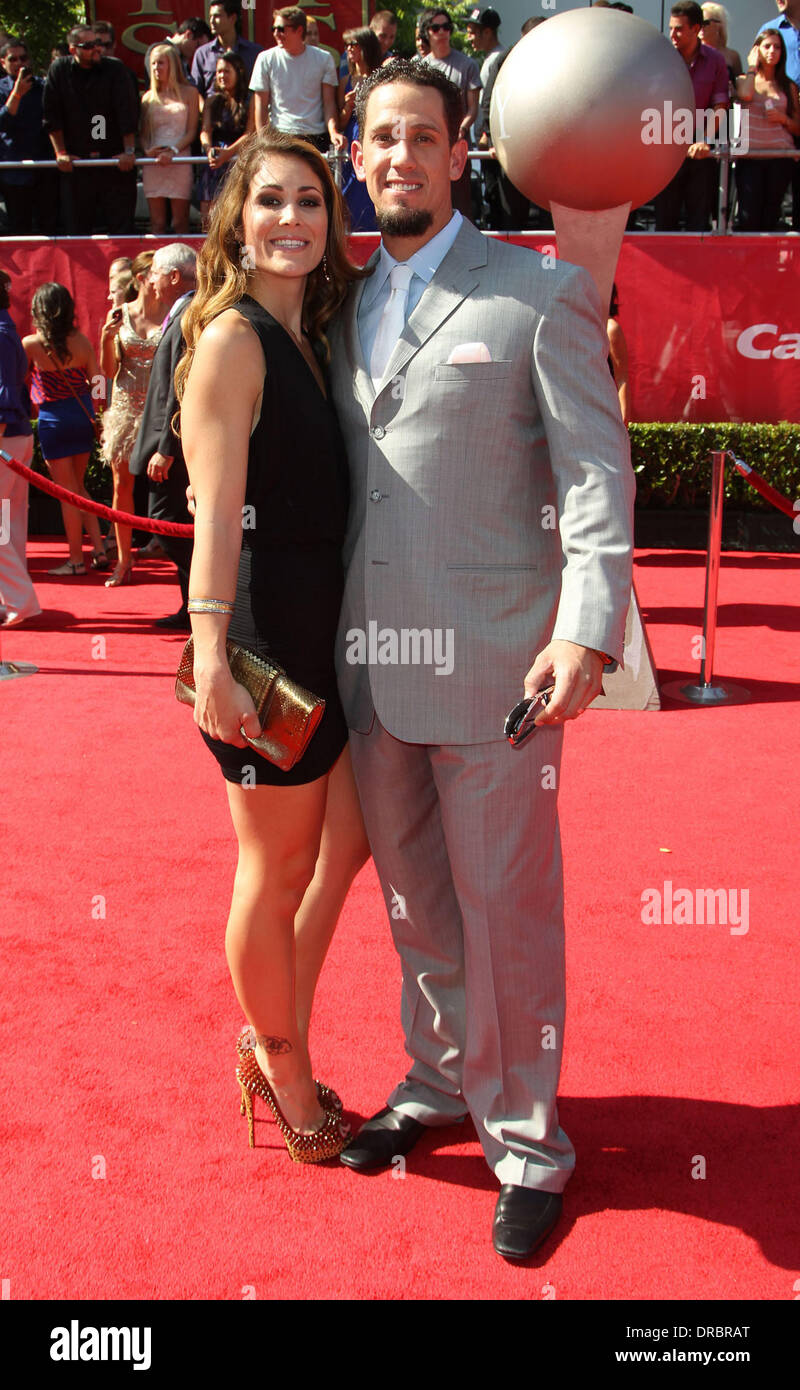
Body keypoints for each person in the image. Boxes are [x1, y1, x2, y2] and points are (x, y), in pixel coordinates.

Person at [330, 59, 634, 1258]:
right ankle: (438, 1081)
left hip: (499, 668)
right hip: (369, 670)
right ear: (356, 156)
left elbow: (594, 475)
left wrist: (584, 625)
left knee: (507, 914)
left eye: (421, 137)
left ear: (462, 153)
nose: (397, 155)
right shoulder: (335, 301)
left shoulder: (536, 293)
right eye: (378, 138)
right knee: (415, 905)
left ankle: (528, 1143)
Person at [175, 130, 369, 1158]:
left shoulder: (309, 334)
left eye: (309, 201)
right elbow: (214, 516)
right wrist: (210, 661)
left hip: (321, 633)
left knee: (345, 843)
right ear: (237, 225)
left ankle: (268, 1033)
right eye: (269, 203)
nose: (291, 219)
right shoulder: (232, 341)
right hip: (260, 647)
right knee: (274, 866)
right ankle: (285, 1071)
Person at [129, 242, 198, 628]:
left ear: (173, 276)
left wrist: (166, 448)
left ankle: (200, 603)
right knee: (168, 523)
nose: (148, 279)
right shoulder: (181, 311)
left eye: (153, 271)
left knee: (166, 521)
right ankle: (191, 604)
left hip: (172, 447)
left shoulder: (190, 313)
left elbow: (182, 386)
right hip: (166, 443)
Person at [24, 283, 108, 576]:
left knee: (66, 493)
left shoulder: (32, 344)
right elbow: (98, 381)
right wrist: (99, 411)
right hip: (81, 418)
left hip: (53, 421)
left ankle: (75, 560)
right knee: (80, 487)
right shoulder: (83, 342)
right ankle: (98, 549)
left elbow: (19, 380)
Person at [98, 252, 163, 588]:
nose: (163, 280)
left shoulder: (172, 315)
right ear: (141, 279)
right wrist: (107, 338)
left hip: (161, 412)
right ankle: (124, 561)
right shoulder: (118, 316)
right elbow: (108, 372)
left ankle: (184, 560)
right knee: (122, 487)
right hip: (124, 411)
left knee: (178, 487)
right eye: (157, 274)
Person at [42, 25, 138, 236]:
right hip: (76, 164)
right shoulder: (59, 70)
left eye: (99, 43)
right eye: (89, 45)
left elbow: (127, 112)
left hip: (114, 162)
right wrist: (61, 152)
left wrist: (129, 151)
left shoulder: (115, 69)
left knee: (121, 226)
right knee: (76, 227)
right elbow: (52, 115)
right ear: (72, 49)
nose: (97, 49)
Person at [653, 1, 729, 231]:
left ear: (696, 29)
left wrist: (704, 141)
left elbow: (720, 105)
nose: (672, 35)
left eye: (679, 29)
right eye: (671, 28)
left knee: (699, 224)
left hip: (700, 152)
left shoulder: (716, 60)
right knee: (665, 222)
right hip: (664, 149)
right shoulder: (660, 57)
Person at [0, 269, 40, 626]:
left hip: (5, 438)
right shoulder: (7, 327)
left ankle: (19, 599)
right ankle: (11, 598)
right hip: (16, 436)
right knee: (9, 521)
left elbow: (3, 396)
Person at [249, 8, 345, 155]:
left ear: (299, 30)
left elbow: (329, 103)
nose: (276, 33)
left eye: (281, 29)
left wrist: (333, 132)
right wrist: (263, 141)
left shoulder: (324, 59)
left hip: (316, 138)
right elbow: (260, 106)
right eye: (273, 28)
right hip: (280, 137)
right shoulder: (265, 59)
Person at [735, 30, 800, 231]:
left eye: (777, 47)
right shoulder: (744, 79)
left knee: (770, 216)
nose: (773, 51)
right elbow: (745, 95)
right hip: (750, 157)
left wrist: (784, 119)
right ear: (757, 50)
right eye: (767, 46)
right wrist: (753, 66)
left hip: (780, 156)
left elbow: (797, 127)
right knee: (748, 217)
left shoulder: (788, 86)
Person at [418, 9, 481, 217]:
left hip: (457, 146)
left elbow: (473, 108)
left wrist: (461, 128)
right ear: (427, 32)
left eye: (446, 27)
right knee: (428, 203)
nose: (442, 32)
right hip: (427, 148)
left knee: (462, 206)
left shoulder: (467, 65)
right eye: (436, 28)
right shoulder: (419, 66)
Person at [0, 37, 57, 236]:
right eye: (12, 59)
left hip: (45, 169)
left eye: (23, 58)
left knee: (49, 227)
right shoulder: (1, 90)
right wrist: (16, 94)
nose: (18, 64)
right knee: (20, 229)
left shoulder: (43, 87)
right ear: (3, 63)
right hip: (14, 171)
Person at [140, 43, 199, 234]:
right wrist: (147, 150)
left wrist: (173, 151)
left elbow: (192, 131)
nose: (157, 68)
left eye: (161, 63)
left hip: (180, 159)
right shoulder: (148, 97)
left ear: (172, 65)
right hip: (154, 162)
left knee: (179, 222)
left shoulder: (190, 93)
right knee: (157, 223)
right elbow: (143, 133)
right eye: (154, 64)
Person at [198, 51, 252, 226]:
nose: (222, 76)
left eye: (227, 71)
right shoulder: (212, 101)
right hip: (215, 158)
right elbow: (205, 130)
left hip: (239, 158)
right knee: (209, 212)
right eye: (219, 71)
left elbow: (250, 133)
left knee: (236, 213)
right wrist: (208, 150)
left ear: (239, 72)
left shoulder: (249, 100)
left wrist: (228, 153)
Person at [465, 8, 506, 228]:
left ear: (487, 32)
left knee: (493, 195)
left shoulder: (496, 60)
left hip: (489, 143)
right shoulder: (489, 59)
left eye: (473, 32)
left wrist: (486, 135)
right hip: (486, 141)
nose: (469, 37)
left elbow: (492, 102)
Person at [338, 28, 382, 232]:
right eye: (347, 45)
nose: (349, 49)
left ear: (366, 47)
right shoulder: (346, 81)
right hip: (352, 136)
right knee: (351, 192)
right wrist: (348, 105)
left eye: (353, 44)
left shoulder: (381, 77)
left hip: (375, 134)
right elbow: (340, 122)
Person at [191, 2, 262, 101]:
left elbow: (261, 90)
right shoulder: (202, 54)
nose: (211, 21)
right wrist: (206, 110)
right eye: (210, 16)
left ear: (233, 18)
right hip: (213, 113)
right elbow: (195, 90)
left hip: (245, 113)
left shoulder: (254, 53)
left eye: (217, 16)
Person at [145, 17, 211, 85]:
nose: (197, 52)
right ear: (188, 35)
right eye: (197, 45)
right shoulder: (157, 50)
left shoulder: (184, 60)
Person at [700, 4, 743, 90]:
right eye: (697, 22)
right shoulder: (692, 53)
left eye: (705, 22)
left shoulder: (732, 56)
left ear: (719, 25)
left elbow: (740, 89)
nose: (700, 26)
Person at [607, 282, 631, 425]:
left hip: (604, 412)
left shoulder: (610, 329)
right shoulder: (577, 324)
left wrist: (623, 422)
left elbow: (622, 378)